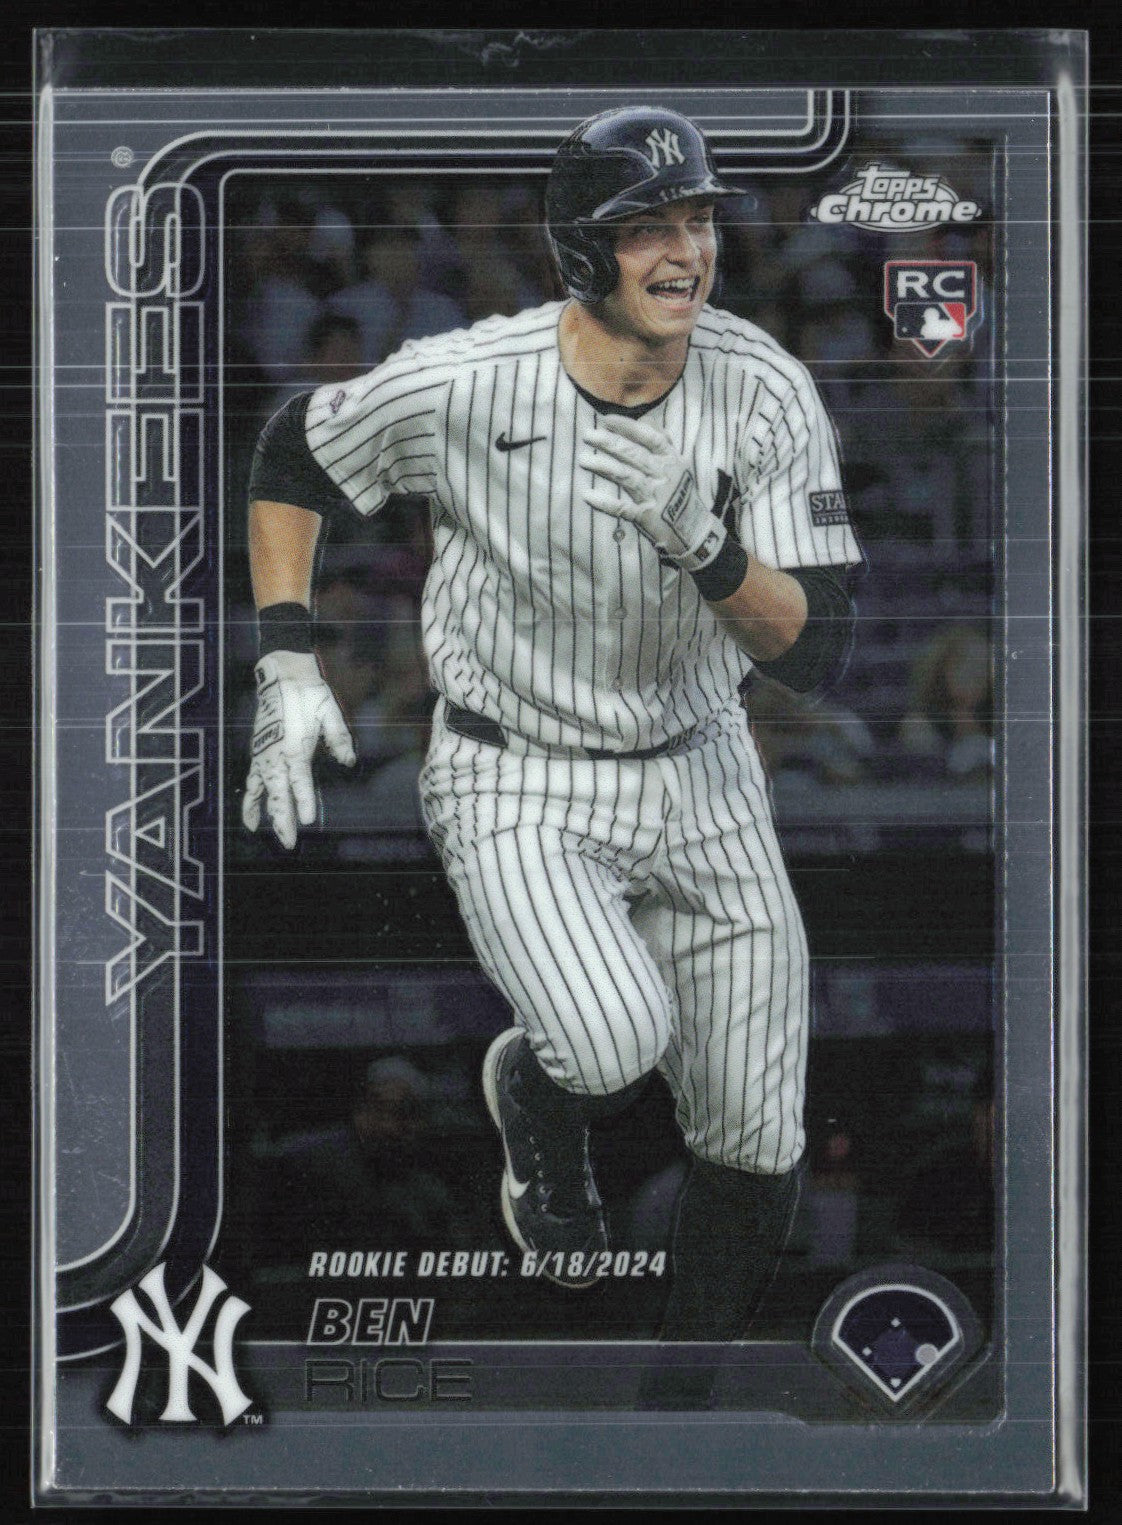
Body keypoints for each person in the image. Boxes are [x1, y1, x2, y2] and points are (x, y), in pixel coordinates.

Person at [242, 107, 862, 1345]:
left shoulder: (764, 386)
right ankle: (535, 1089)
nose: (687, 250)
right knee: (611, 1038)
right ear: (582, 250)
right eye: (648, 228)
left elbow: (820, 648)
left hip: (704, 766)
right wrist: (287, 656)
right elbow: (292, 453)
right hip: (516, 772)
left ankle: (683, 1400)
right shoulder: (468, 379)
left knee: (758, 1132)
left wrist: (710, 548)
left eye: (699, 219)